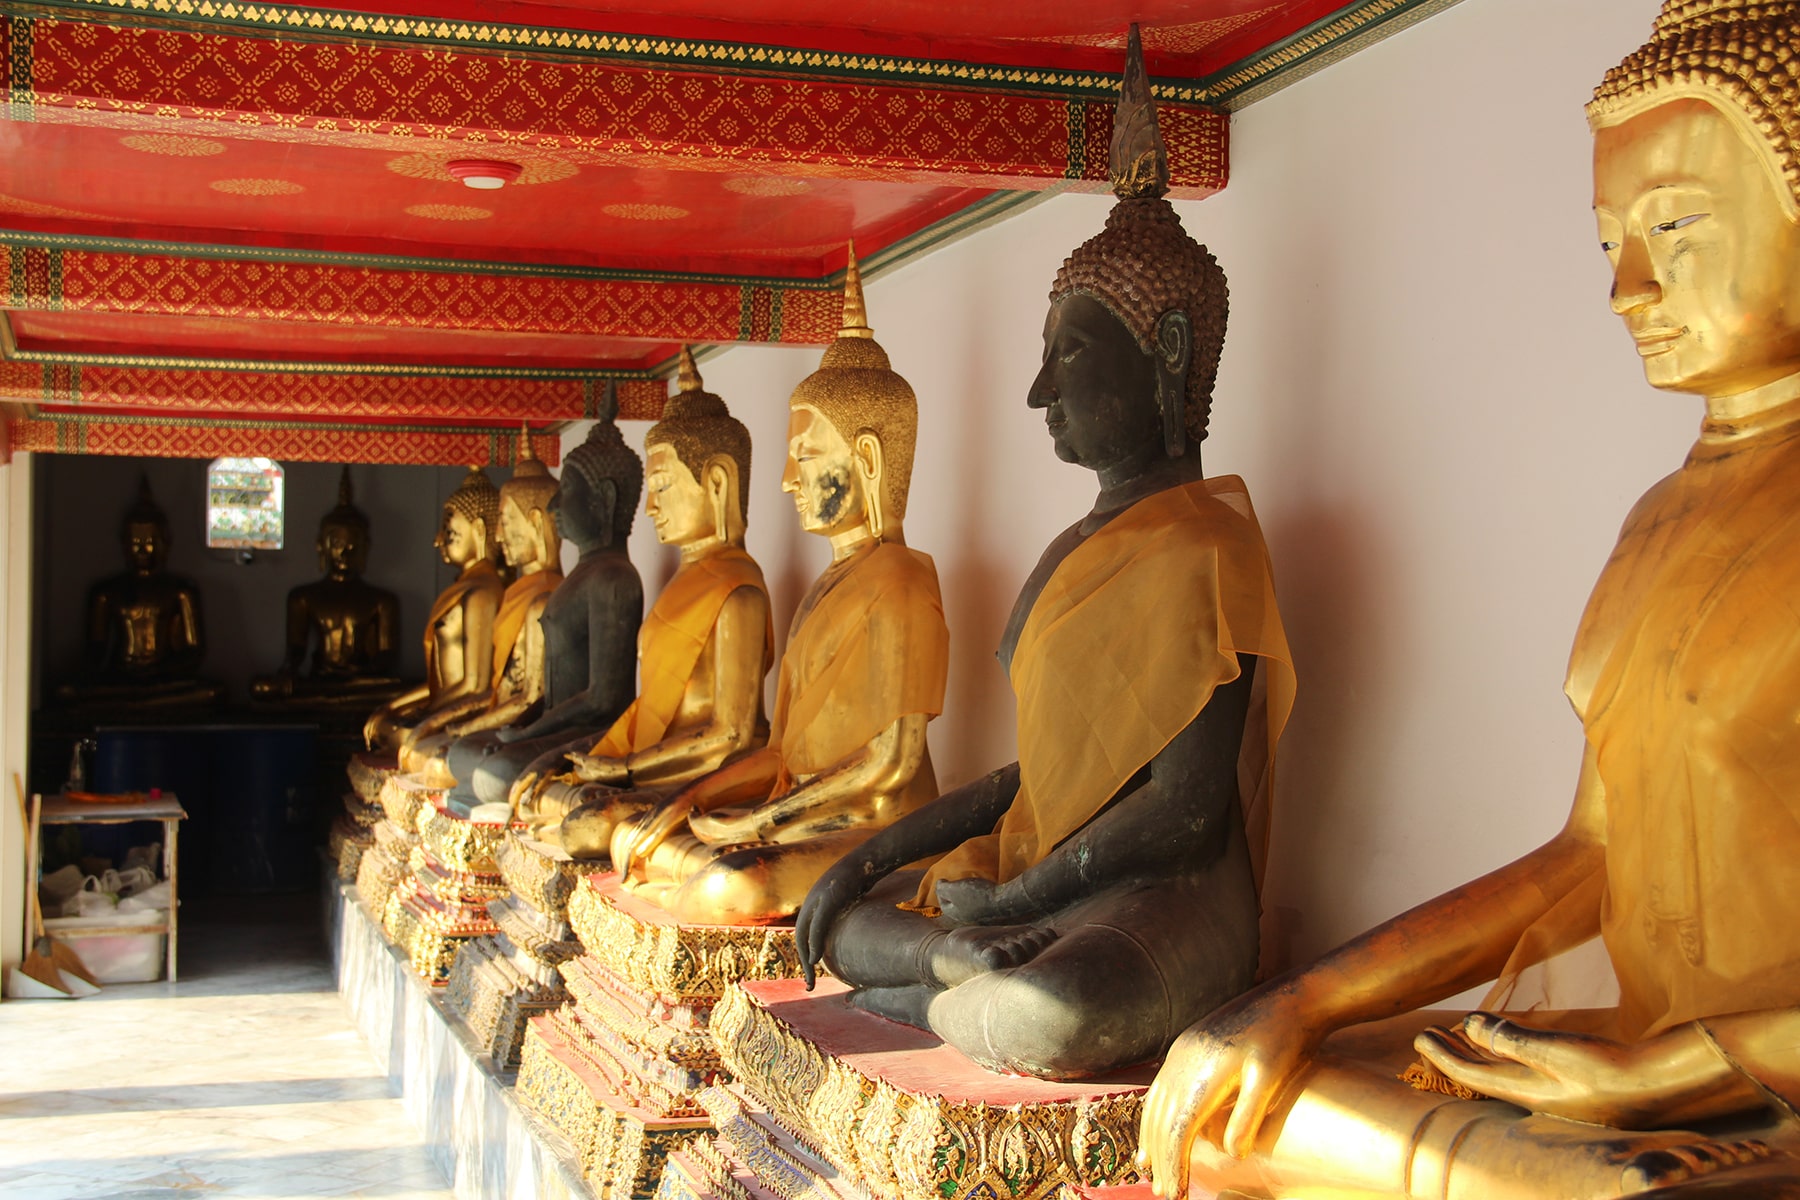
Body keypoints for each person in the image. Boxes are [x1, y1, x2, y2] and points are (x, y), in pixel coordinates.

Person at [1137, 4, 1800, 1197]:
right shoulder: (1660, 519)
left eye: (1681, 226)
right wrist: (1300, 999)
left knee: (1618, 1187)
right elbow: (1589, 851)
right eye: (1609, 242)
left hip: (1745, 1084)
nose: (1628, 288)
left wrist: (1683, 1068)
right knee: (1243, 1093)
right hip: (1637, 1060)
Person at [791, 30, 1295, 1082]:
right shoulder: (1075, 548)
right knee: (836, 918)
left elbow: (1187, 805)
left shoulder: (1210, 543)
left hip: (1161, 904)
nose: (1038, 392)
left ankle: (936, 988)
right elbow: (1047, 769)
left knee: (1054, 1014)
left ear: (1166, 355)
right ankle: (945, 966)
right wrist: (871, 857)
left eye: (1067, 352)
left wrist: (1021, 901)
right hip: (1042, 882)